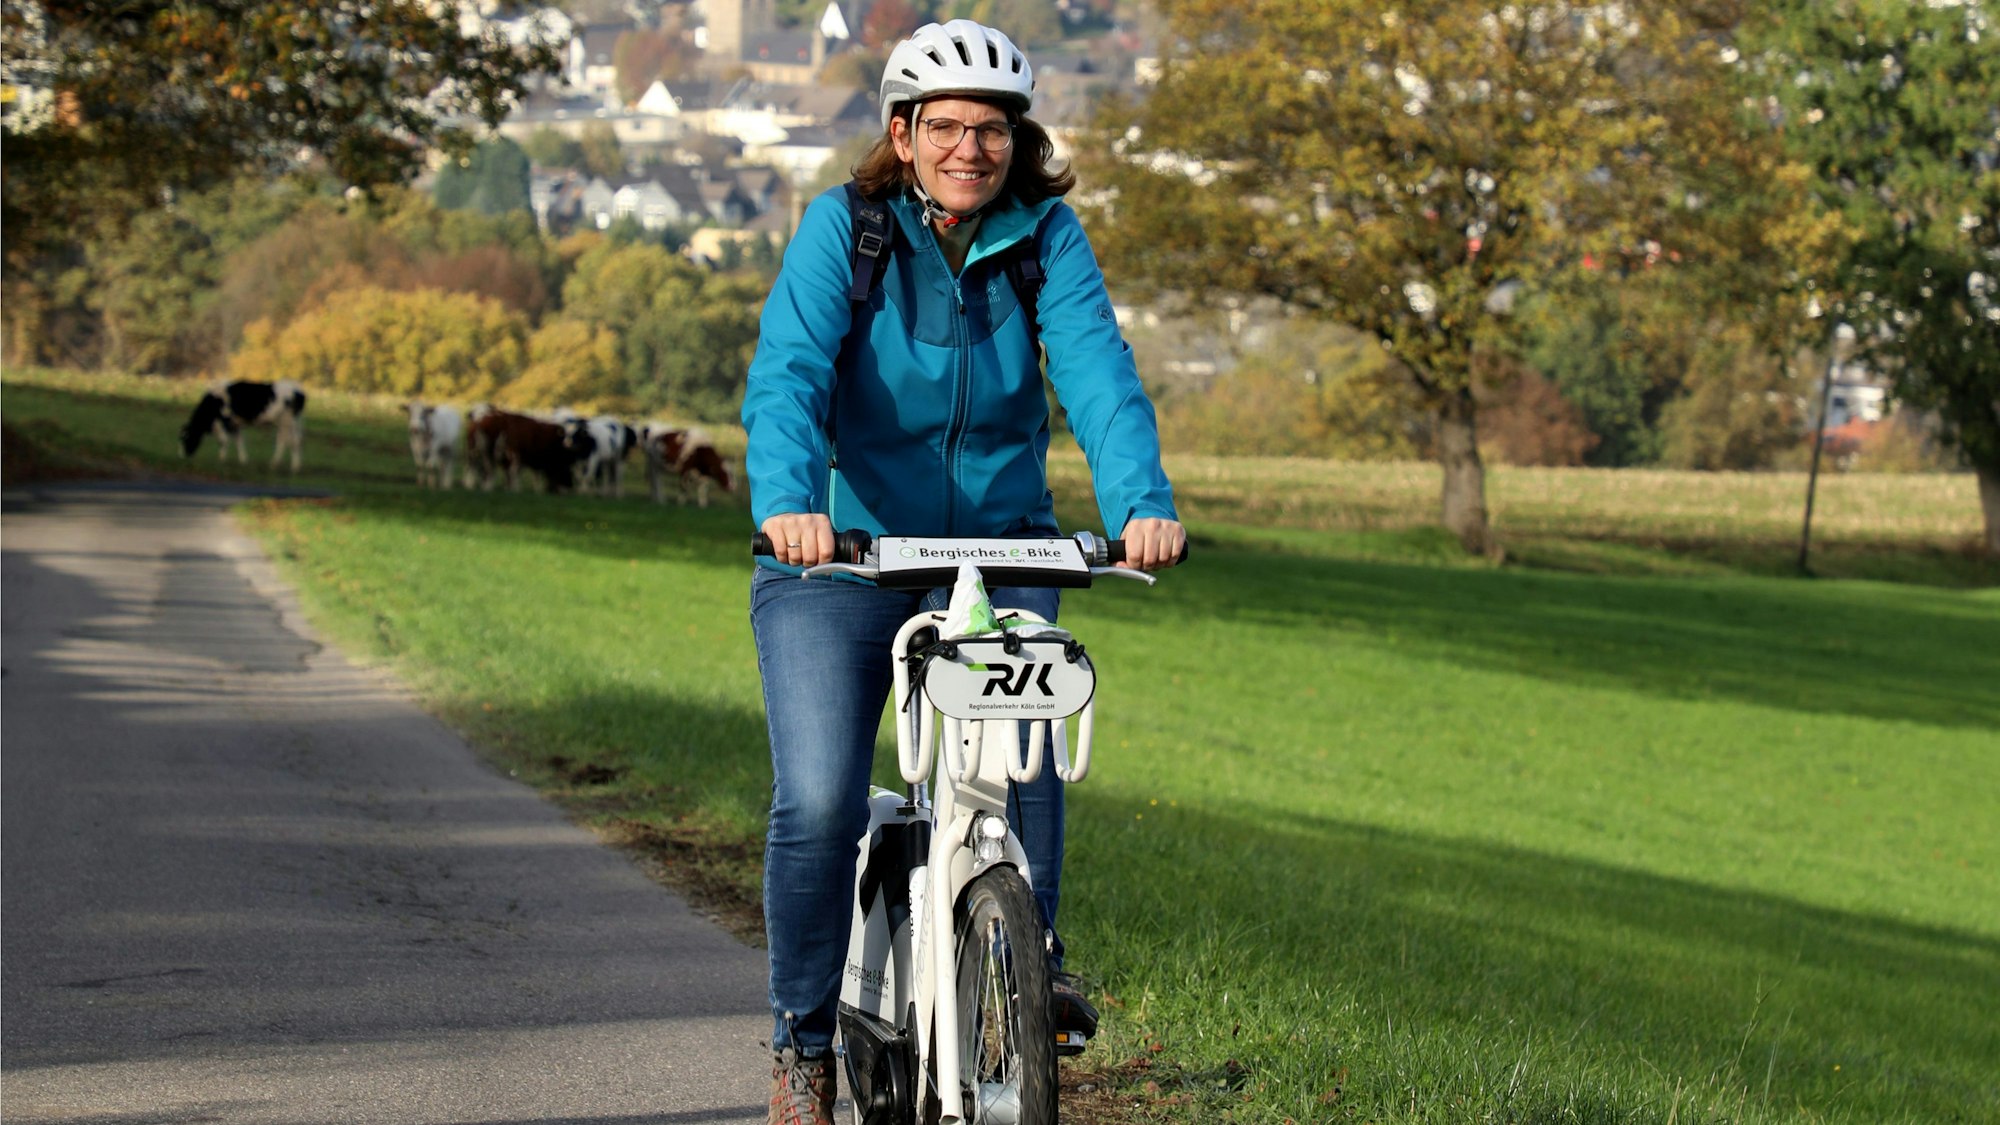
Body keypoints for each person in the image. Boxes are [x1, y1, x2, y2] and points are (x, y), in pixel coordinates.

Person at [741, 18, 1186, 1124]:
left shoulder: (1045, 237)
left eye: (990, 129)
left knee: (1026, 758)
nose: (969, 149)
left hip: (1000, 547)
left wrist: (1140, 504)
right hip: (844, 557)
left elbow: (1098, 372)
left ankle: (1029, 956)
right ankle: (802, 1041)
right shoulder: (846, 230)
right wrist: (791, 505)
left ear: (1016, 139)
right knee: (819, 800)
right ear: (902, 134)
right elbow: (790, 372)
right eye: (944, 127)